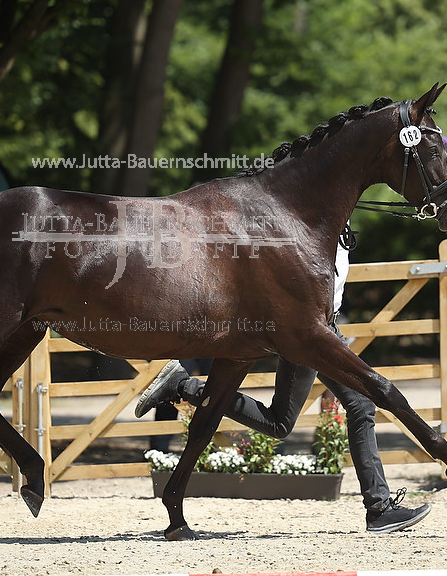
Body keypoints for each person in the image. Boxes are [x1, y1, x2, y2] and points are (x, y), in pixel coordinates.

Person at [134, 229, 431, 534]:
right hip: (309, 333)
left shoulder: (337, 226)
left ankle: (379, 508)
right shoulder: (312, 225)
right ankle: (183, 386)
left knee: (360, 405)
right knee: (283, 423)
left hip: (324, 327)